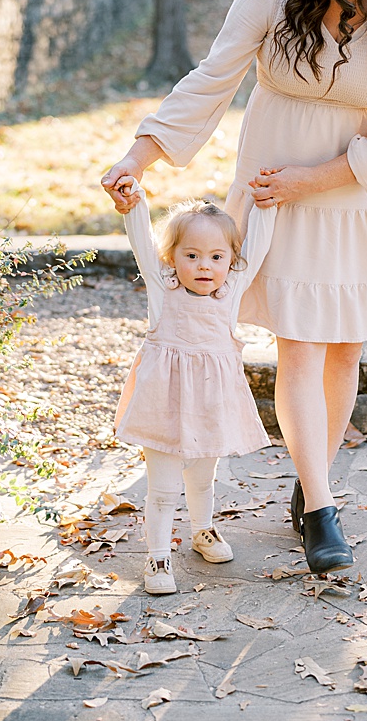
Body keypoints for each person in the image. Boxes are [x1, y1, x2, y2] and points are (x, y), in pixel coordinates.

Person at [101, 0, 367, 574]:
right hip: (270, 203)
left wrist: (312, 179)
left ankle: (310, 471)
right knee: (300, 349)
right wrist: (141, 153)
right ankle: (322, 510)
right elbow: (212, 78)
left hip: (349, 199)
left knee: (343, 350)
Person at [110, 186, 273, 594]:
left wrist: (267, 206)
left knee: (203, 478)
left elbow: (260, 242)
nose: (205, 266)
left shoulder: (230, 292)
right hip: (161, 405)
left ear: (232, 261)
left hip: (210, 407)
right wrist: (135, 204)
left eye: (217, 257)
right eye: (192, 255)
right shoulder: (162, 290)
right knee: (163, 488)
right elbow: (141, 244)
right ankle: (159, 556)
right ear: (172, 258)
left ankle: (203, 531)